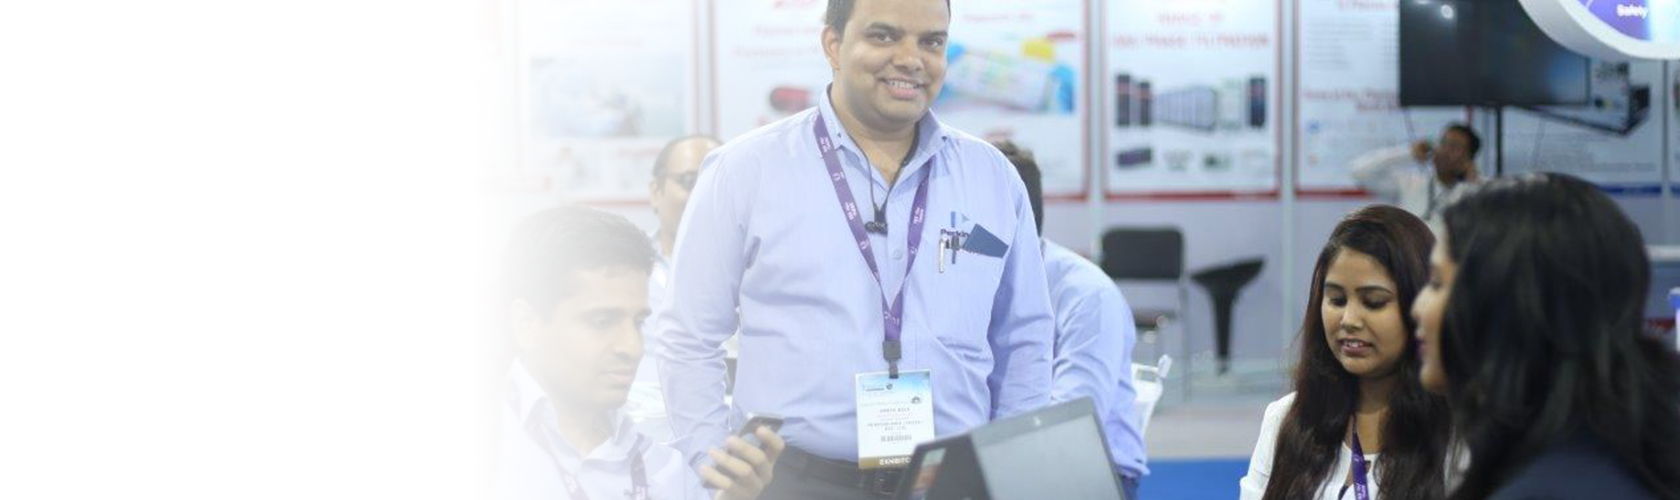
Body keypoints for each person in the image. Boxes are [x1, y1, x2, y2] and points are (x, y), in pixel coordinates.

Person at [651, 0, 1056, 498]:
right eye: (884, 36)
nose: (911, 59)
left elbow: (1025, 336)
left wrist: (1012, 471)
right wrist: (714, 462)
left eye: (931, 42)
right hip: (797, 482)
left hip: (950, 481)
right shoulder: (745, 170)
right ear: (833, 45)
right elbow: (688, 335)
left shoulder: (992, 178)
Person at [1412, 173, 1680, 500]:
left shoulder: (1550, 488)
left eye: (1437, 283)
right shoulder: (1610, 458)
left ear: (1506, 305)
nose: (1417, 308)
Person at [491, 206, 786, 500]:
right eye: (602, 321)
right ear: (526, 324)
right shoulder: (482, 451)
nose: (633, 347)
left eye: (638, 322)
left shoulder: (665, 470)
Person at [1239, 205, 1453, 500]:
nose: (1349, 320)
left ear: (1420, 305)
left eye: (1374, 302)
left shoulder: (1457, 436)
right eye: (1337, 300)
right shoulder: (1286, 420)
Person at [995, 140, 1148, 499]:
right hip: (1004, 459)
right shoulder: (968, 282)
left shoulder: (1087, 295)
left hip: (1091, 470)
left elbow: (1073, 421)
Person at [630, 135, 723, 441]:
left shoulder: (757, 275)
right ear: (656, 191)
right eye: (689, 181)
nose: (703, 195)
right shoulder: (625, 270)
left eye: (715, 183)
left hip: (724, 440)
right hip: (638, 439)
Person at [1349, 124, 1481, 222]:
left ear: (1469, 157)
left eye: (1454, 146)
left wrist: (1471, 184)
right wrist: (1408, 153)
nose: (1444, 151)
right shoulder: (1411, 183)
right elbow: (1359, 172)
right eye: (1442, 143)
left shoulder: (1477, 191)